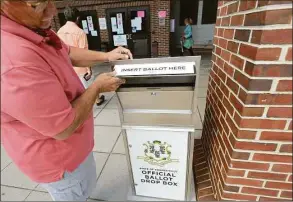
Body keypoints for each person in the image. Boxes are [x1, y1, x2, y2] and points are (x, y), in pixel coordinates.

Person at [1, 0, 132, 201]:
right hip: (59, 163)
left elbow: (67, 51)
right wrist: (96, 87)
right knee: (75, 194)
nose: (53, 11)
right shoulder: (13, 60)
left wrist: (106, 56)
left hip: (74, 150)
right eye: (37, 5)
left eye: (50, 1)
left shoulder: (32, 28)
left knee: (84, 188)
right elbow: (63, 127)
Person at [57, 7, 105, 106]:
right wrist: (88, 68)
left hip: (66, 66)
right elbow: (84, 52)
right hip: (79, 66)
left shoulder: (59, 32)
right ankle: (97, 100)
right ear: (78, 18)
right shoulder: (80, 32)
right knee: (90, 84)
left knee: (73, 85)